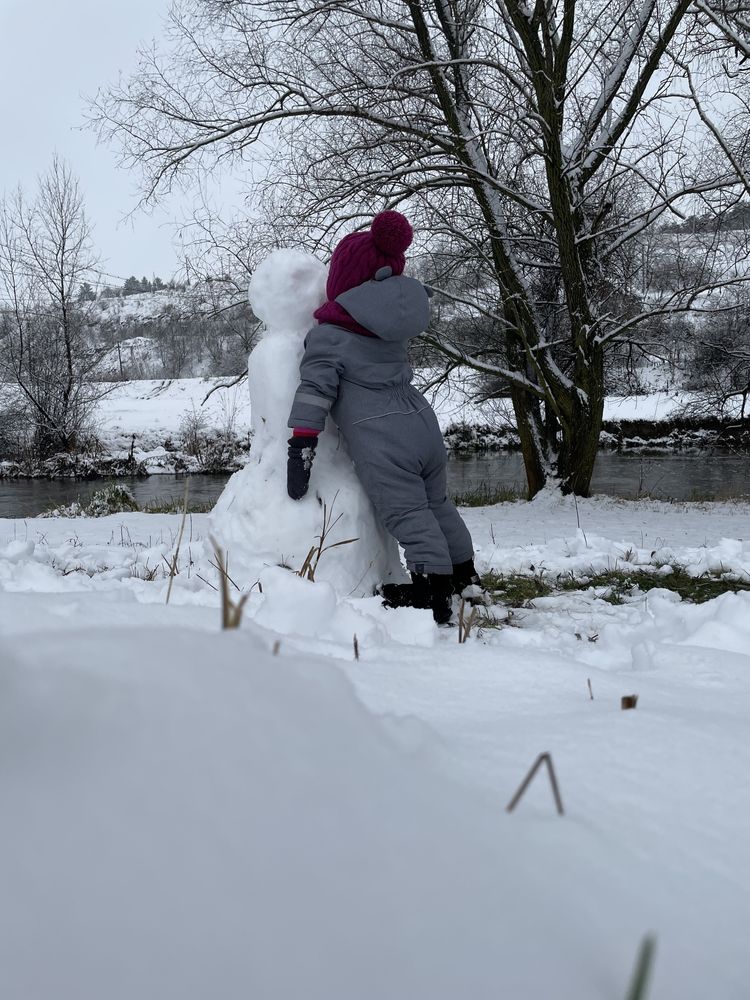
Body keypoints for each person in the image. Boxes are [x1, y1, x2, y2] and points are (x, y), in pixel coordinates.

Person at [286, 210, 481, 624]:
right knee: (437, 503)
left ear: (345, 280)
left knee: (407, 511)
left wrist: (302, 443)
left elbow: (315, 389)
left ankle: (432, 591)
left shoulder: (331, 335)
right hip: (419, 419)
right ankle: (465, 575)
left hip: (383, 432)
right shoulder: (387, 326)